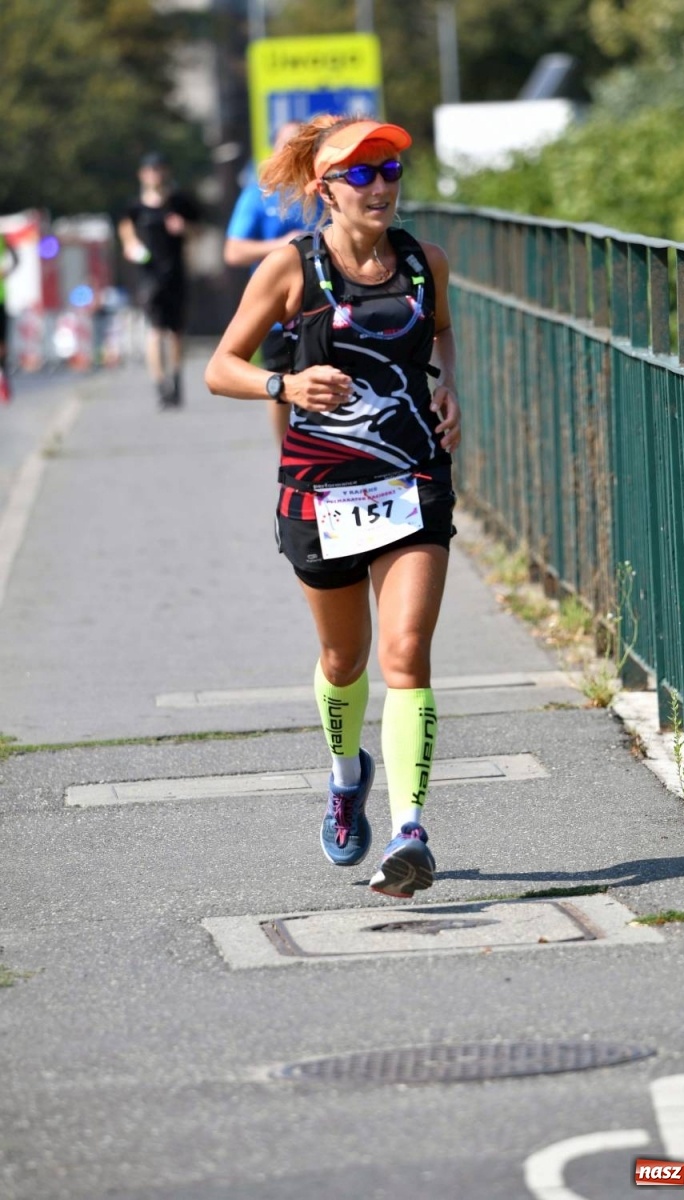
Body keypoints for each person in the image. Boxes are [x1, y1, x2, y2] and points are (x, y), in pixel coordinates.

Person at [205, 115, 462, 898]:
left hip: (411, 481)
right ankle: (347, 774)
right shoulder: (292, 269)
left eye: (388, 170)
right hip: (321, 495)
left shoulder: (425, 263)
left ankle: (410, 831)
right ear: (325, 189)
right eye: (359, 174)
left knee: (405, 653)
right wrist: (283, 384)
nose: (379, 186)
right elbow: (222, 366)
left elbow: (444, 335)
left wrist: (451, 389)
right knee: (345, 661)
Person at [223, 122, 317, 444]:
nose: (294, 152)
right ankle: (286, 455)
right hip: (277, 314)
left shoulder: (324, 189)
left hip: (325, 308)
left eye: (302, 145)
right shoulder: (259, 193)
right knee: (281, 389)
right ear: (276, 150)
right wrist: (281, 245)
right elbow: (233, 251)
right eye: (287, 145)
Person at [118, 152, 199, 409]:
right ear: (143, 175)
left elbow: (199, 232)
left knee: (175, 332)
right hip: (148, 278)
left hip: (175, 273)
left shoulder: (179, 203)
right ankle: (160, 384)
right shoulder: (135, 208)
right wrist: (131, 246)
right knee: (155, 330)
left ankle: (176, 380)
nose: (155, 175)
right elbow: (125, 232)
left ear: (166, 172)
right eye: (150, 170)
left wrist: (184, 228)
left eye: (159, 169)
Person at [0, 232, 19, 403]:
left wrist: (6, 271)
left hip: (1, 299)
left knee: (2, 344)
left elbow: (15, 259)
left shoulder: (2, 239)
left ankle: (3, 381)